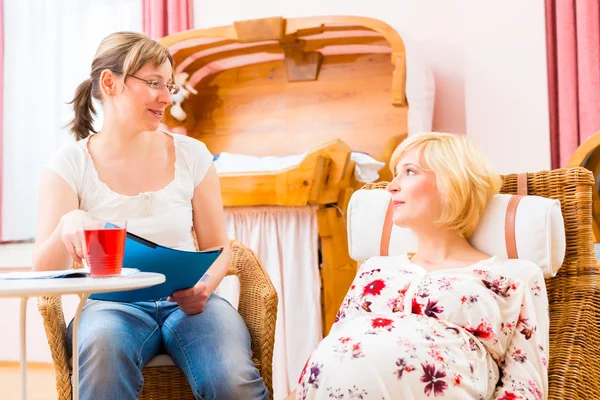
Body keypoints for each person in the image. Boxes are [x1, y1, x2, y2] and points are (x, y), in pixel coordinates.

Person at [32, 31, 269, 400]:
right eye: (154, 83)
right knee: (103, 360)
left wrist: (205, 287)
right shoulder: (70, 164)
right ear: (110, 83)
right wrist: (69, 221)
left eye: (169, 85)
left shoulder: (193, 155)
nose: (167, 97)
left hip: (191, 306)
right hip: (108, 306)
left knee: (232, 379)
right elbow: (42, 270)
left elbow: (219, 247)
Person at [292, 132, 549, 399]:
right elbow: (330, 352)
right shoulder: (375, 268)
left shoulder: (514, 276)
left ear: (453, 181)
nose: (391, 187)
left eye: (409, 172)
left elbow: (523, 387)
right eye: (394, 174)